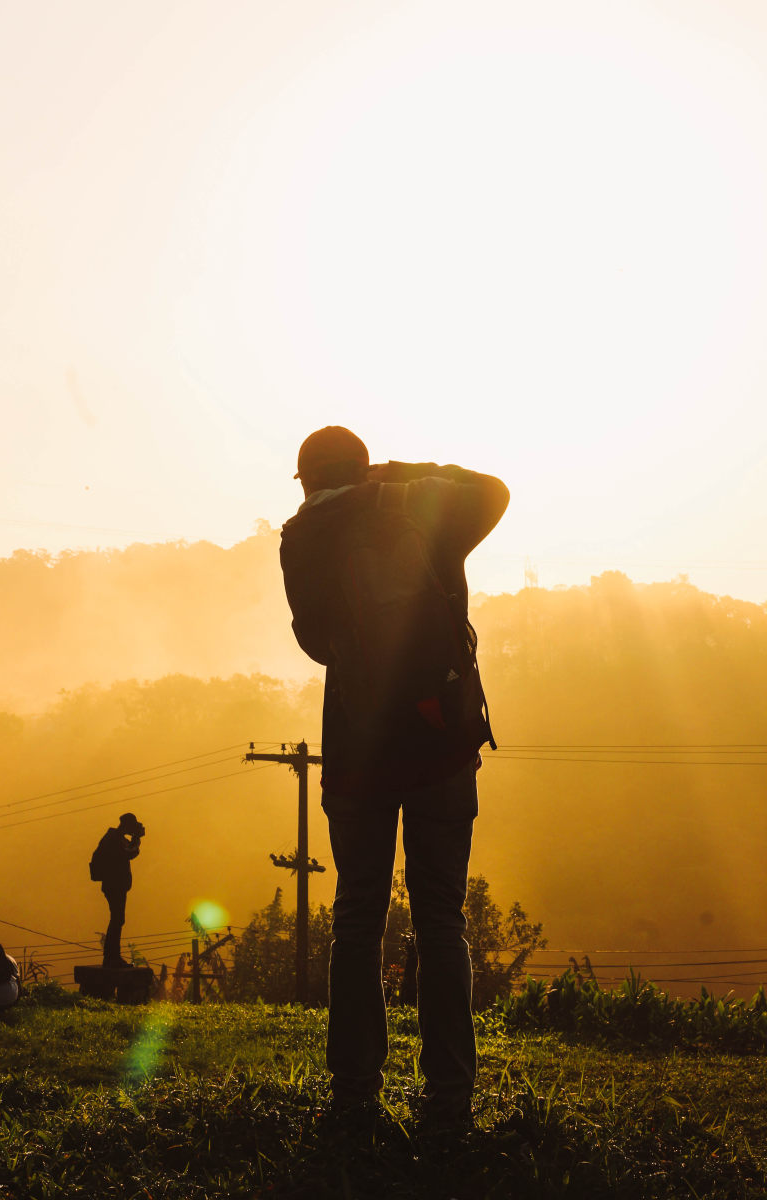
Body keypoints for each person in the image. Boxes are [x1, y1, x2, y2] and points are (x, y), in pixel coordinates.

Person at [280, 425, 509, 1127]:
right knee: (442, 921)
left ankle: (353, 1098)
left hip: (358, 751)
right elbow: (495, 491)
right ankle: (448, 1103)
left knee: (357, 921)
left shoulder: (301, 536)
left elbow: (316, 642)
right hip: (441, 742)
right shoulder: (415, 502)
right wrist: (399, 471)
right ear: (364, 463)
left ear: (308, 478)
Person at [92, 812, 145, 969]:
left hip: (117, 885)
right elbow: (128, 853)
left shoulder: (117, 838)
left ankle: (113, 956)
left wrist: (136, 840)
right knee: (117, 919)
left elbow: (130, 852)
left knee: (118, 919)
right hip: (113, 885)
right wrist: (137, 840)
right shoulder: (113, 839)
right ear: (126, 825)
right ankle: (111, 957)